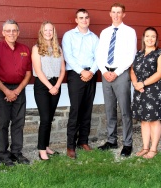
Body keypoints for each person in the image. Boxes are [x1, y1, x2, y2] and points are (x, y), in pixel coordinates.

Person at [96, 3, 137, 157]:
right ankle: (112, 140)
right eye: (113, 12)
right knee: (109, 109)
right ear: (110, 13)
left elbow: (131, 55)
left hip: (121, 74)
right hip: (106, 74)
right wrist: (104, 71)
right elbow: (100, 54)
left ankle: (127, 143)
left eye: (119, 12)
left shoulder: (129, 32)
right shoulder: (105, 32)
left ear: (123, 14)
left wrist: (117, 72)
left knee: (125, 110)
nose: (116, 15)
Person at [0, 19, 31, 166]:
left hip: (19, 88)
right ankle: (3, 154)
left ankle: (16, 152)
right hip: (1, 89)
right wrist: (7, 91)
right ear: (3, 33)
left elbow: (28, 73)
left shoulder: (25, 49)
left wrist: (18, 90)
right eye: (8, 30)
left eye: (14, 30)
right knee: (3, 123)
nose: (11, 33)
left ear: (18, 32)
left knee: (18, 122)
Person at [62, 9, 99, 159]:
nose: (84, 20)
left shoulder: (94, 38)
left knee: (87, 109)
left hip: (91, 74)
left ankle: (83, 141)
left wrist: (91, 71)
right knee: (76, 110)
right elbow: (68, 56)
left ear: (89, 19)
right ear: (76, 20)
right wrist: (81, 71)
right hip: (76, 75)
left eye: (86, 17)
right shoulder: (69, 36)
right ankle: (70, 145)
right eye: (81, 18)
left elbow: (99, 57)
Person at [131, 27, 161, 159]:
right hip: (140, 90)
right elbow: (132, 69)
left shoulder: (160, 53)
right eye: (147, 36)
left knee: (154, 120)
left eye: (153, 36)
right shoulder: (139, 53)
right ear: (144, 38)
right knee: (144, 120)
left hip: (155, 90)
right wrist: (136, 83)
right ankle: (145, 147)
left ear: (156, 38)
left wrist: (143, 83)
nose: (150, 39)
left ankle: (153, 149)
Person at [32, 21, 65, 160]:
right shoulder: (36, 48)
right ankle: (41, 150)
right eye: (46, 30)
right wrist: (50, 87)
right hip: (42, 85)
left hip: (56, 84)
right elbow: (38, 70)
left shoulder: (58, 48)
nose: (48, 32)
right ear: (41, 32)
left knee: (49, 118)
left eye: (50, 30)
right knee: (45, 118)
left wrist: (56, 85)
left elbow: (63, 69)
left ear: (54, 32)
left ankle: (46, 146)